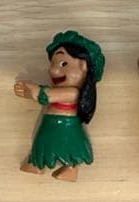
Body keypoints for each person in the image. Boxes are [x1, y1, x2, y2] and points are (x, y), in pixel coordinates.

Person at [14, 30, 104, 182]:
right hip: (51, 122)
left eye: (63, 64)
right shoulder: (64, 90)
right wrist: (30, 91)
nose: (53, 70)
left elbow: (48, 95)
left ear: (83, 66)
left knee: (68, 148)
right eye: (53, 64)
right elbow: (46, 94)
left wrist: (36, 91)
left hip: (66, 126)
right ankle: (36, 163)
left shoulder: (73, 93)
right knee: (42, 143)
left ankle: (70, 169)